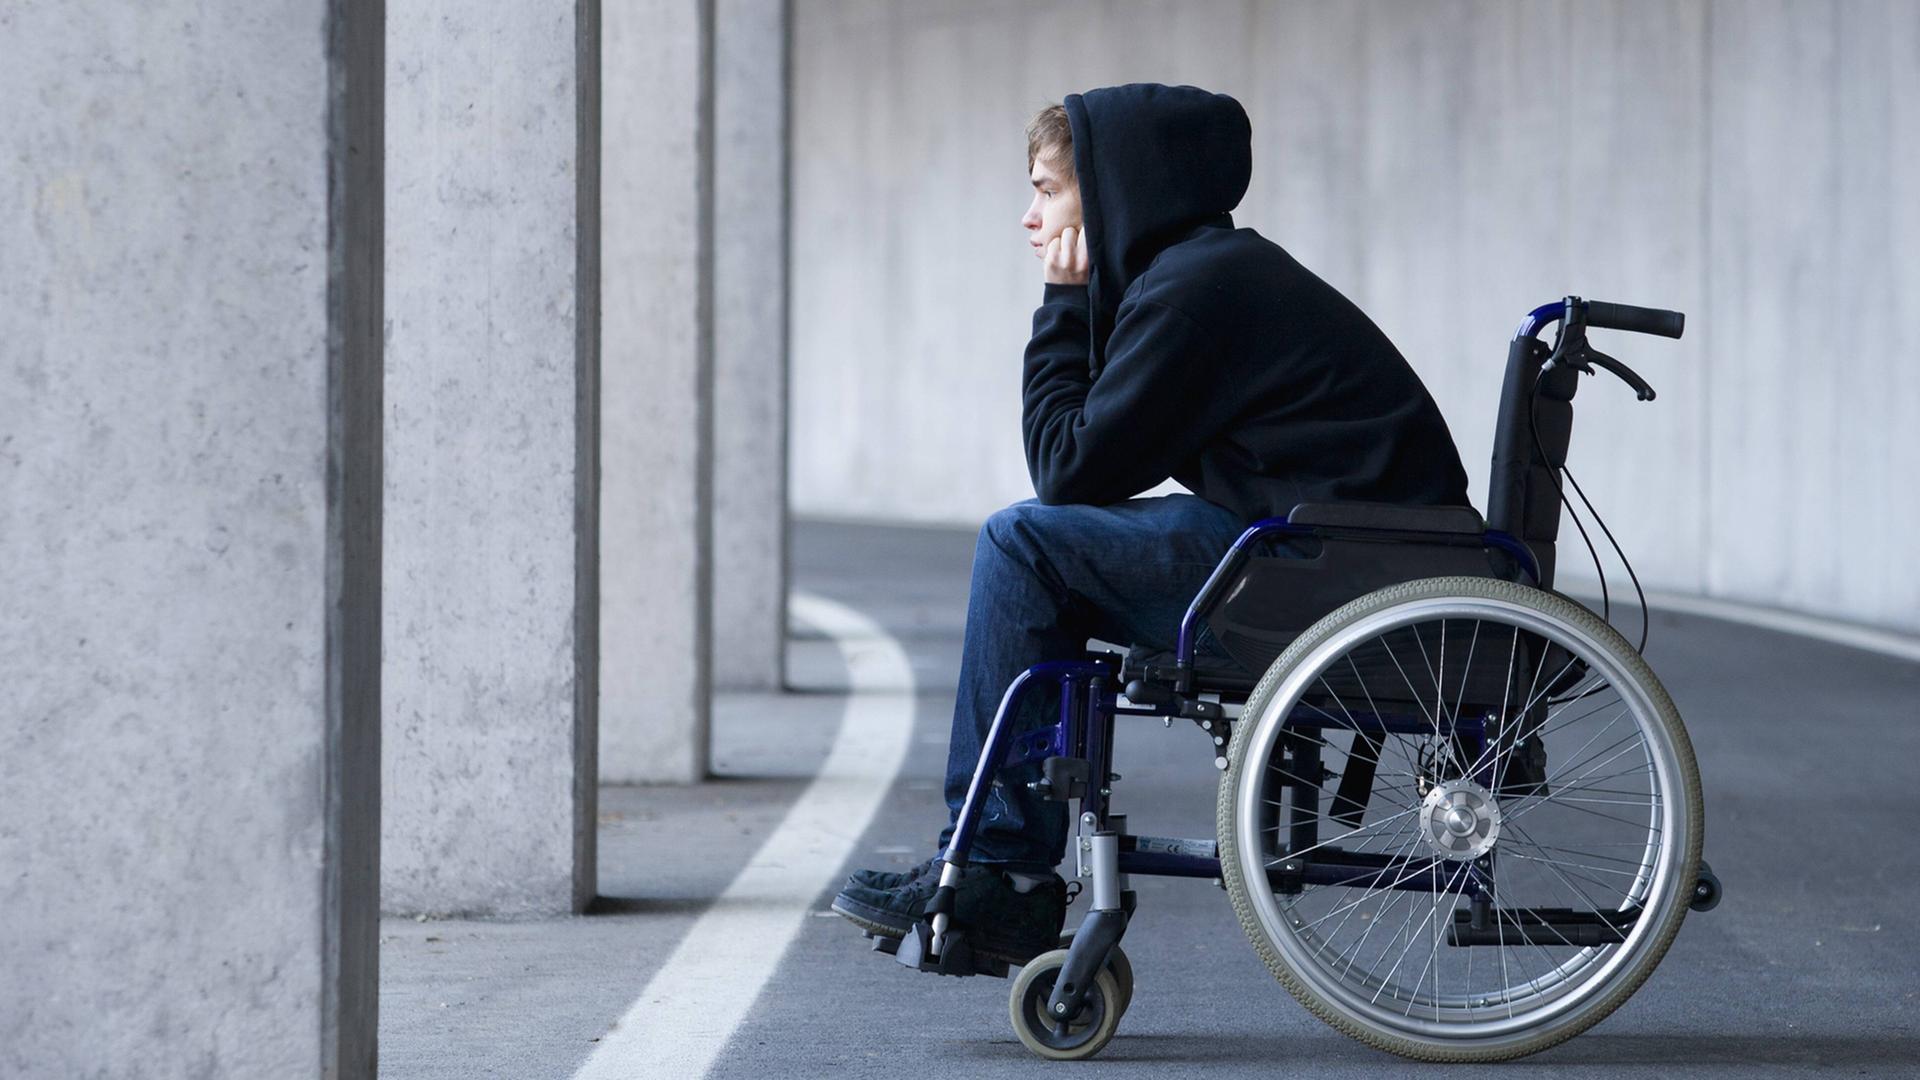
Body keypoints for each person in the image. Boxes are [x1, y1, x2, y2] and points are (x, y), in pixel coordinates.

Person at [831, 83, 1470, 965]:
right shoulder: (1208, 273)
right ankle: (1001, 865)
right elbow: (1096, 457)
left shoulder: (1195, 292)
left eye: (1047, 189)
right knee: (1046, 544)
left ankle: (1000, 869)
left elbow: (1065, 468)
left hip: (1328, 566)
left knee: (1023, 544)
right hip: (1327, 546)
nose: (1029, 217)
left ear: (1115, 188)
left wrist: (1061, 304)